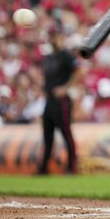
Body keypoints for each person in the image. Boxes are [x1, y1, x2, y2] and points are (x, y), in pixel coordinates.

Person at [37, 27, 79, 175]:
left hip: (61, 100)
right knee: (47, 135)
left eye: (54, 35)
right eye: (50, 36)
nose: (52, 39)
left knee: (66, 133)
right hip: (49, 100)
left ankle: (72, 167)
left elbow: (79, 71)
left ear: (60, 37)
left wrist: (65, 88)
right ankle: (44, 168)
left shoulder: (66, 55)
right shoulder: (49, 57)